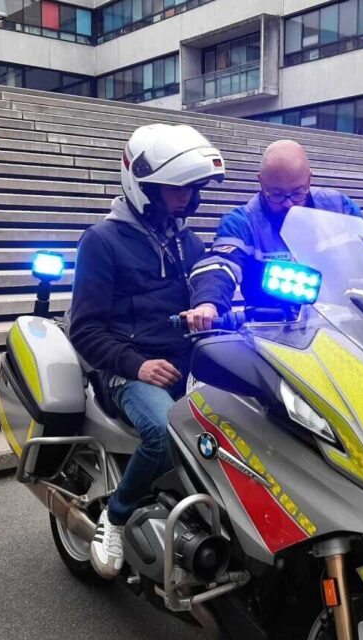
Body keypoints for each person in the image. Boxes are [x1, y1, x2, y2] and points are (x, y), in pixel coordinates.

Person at [68, 124, 225, 578]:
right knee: (164, 430)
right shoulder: (102, 241)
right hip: (126, 369)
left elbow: (208, 273)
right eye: (176, 189)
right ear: (143, 186)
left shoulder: (183, 239)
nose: (186, 198)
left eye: (191, 189)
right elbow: (85, 328)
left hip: (184, 360)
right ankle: (115, 519)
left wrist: (208, 300)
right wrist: (136, 364)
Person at [183, 139, 362, 331]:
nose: (288, 204)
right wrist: (208, 304)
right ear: (261, 181)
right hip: (269, 329)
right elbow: (221, 263)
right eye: (276, 194)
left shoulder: (340, 208)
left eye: (297, 192)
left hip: (337, 325)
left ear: (309, 180)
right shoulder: (242, 222)